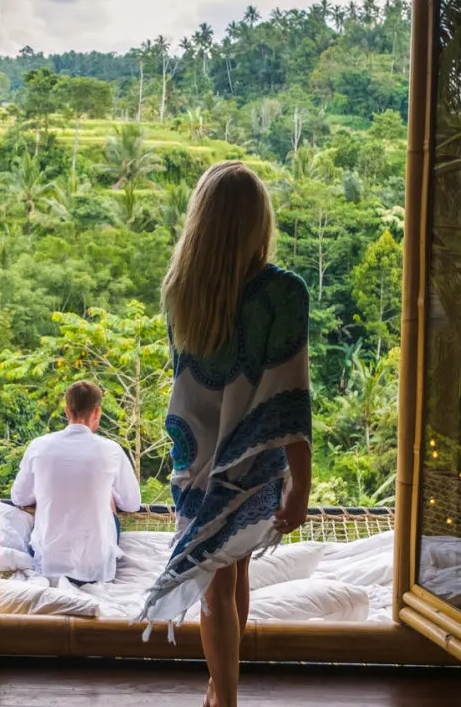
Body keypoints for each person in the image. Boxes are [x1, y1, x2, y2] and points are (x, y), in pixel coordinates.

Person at [139, 161, 312, 707]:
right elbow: (290, 396)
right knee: (226, 570)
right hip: (253, 458)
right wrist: (301, 484)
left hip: (194, 459)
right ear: (259, 222)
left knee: (223, 571)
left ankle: (221, 691)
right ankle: (227, 700)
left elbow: (188, 387)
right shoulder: (283, 293)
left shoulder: (181, 293)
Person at [11, 380, 141, 584]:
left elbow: (19, 497)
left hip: (48, 564)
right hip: (97, 567)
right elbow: (132, 503)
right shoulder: (111, 450)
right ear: (97, 412)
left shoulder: (39, 446)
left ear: (66, 411)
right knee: (105, 492)